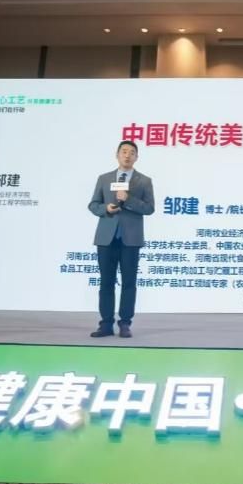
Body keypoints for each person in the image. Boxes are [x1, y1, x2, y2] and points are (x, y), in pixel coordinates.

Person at [87, 140, 155, 338]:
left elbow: (149, 208)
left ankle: (125, 323)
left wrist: (129, 199)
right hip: (106, 238)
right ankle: (106, 324)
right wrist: (105, 209)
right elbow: (93, 205)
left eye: (132, 152)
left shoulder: (144, 181)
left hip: (131, 239)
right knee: (106, 282)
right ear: (117, 155)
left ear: (136, 157)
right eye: (124, 151)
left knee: (129, 283)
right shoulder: (104, 178)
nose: (127, 155)